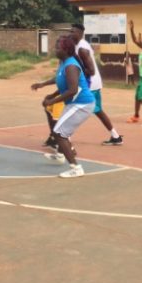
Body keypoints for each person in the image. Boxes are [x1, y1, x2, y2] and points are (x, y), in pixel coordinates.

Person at [40, 35, 95, 178]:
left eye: (58, 47)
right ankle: (60, 154)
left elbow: (72, 90)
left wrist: (52, 101)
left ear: (66, 49)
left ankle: (76, 168)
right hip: (74, 104)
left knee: (59, 132)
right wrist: (49, 92)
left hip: (82, 104)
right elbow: (61, 82)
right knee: (59, 130)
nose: (55, 49)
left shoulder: (71, 65)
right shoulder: (64, 64)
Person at [70, 23, 124, 145]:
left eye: (72, 31)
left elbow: (90, 70)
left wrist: (76, 73)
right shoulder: (78, 46)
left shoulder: (82, 48)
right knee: (97, 110)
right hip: (92, 83)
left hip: (90, 84)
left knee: (75, 109)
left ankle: (64, 137)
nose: (70, 33)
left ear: (79, 33)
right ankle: (115, 136)